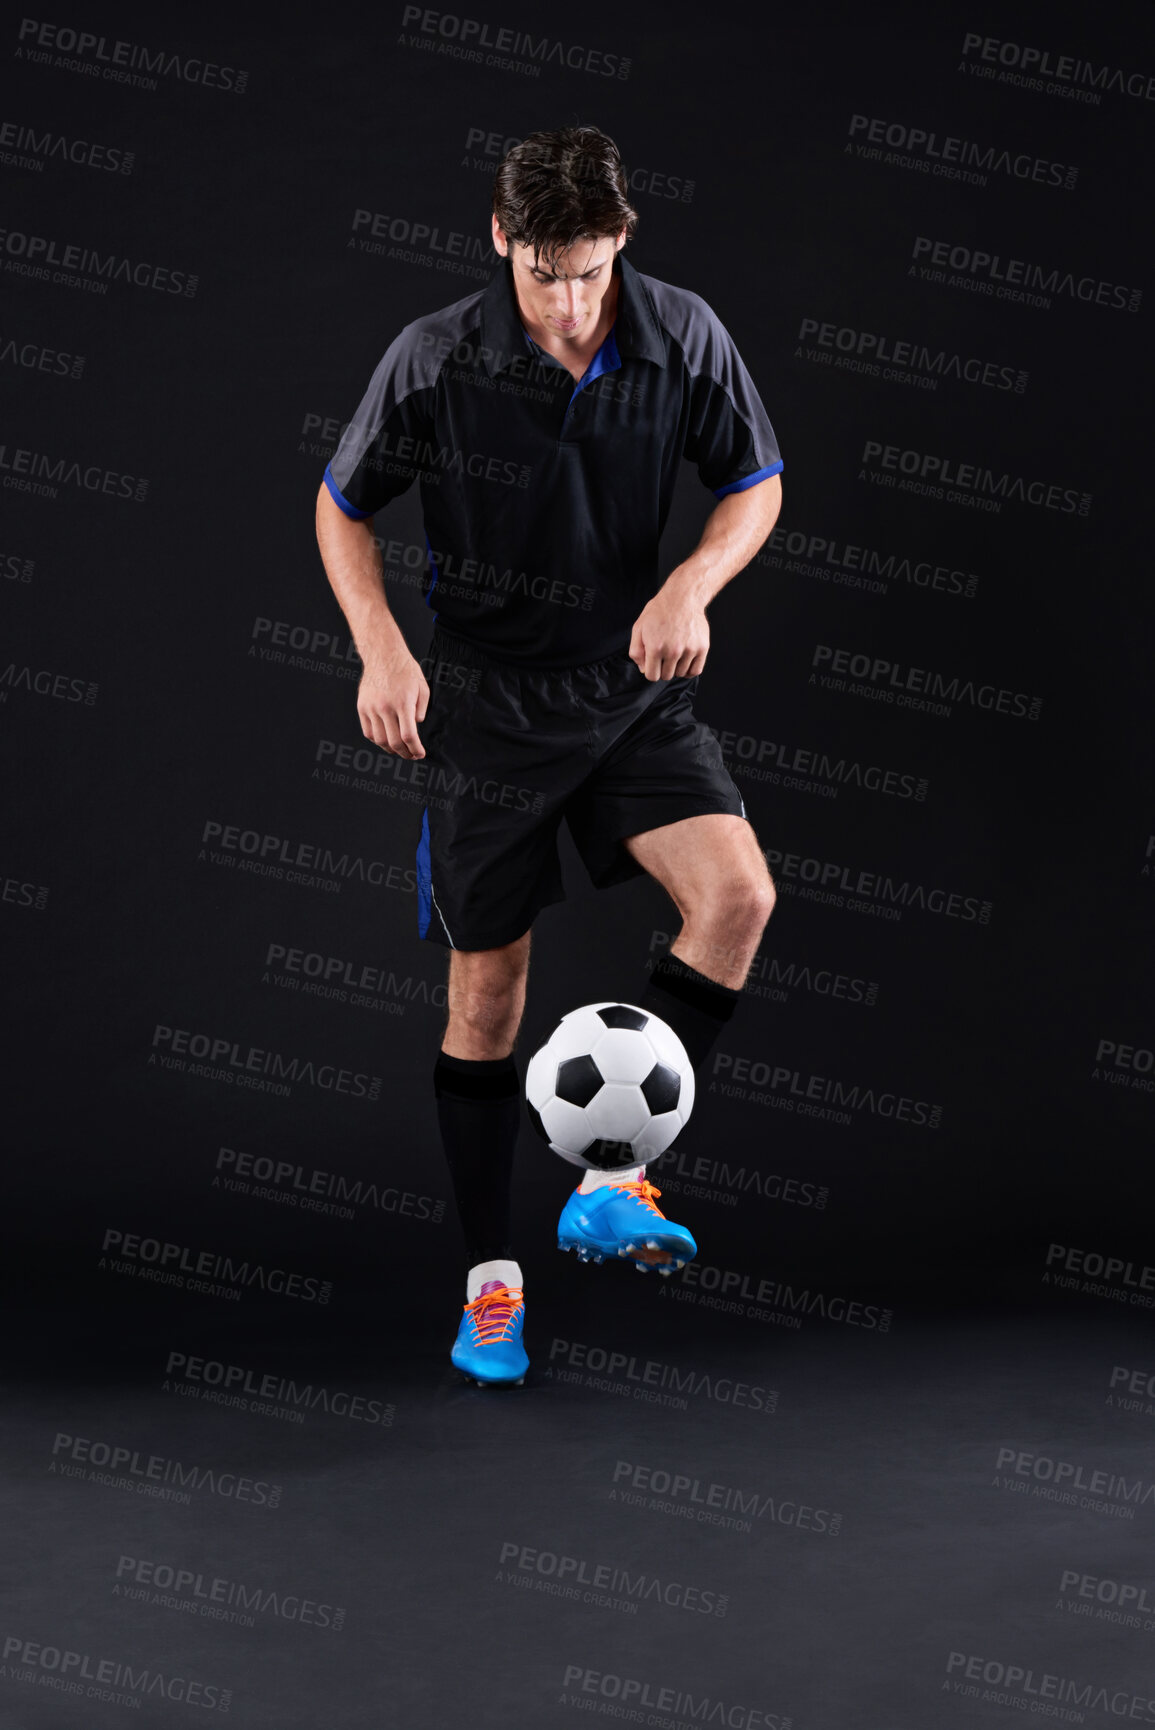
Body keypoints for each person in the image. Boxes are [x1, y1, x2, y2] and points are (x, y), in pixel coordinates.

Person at [315, 125, 783, 1388]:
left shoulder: (681, 334)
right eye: (543, 272)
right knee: (490, 1000)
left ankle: (613, 1177)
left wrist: (694, 580)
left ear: (621, 241)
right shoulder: (435, 357)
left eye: (587, 271)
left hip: (630, 683)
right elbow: (343, 504)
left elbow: (756, 484)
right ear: (498, 238)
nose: (570, 304)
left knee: (738, 896)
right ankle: (489, 1286)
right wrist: (381, 650)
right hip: (486, 705)